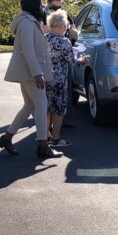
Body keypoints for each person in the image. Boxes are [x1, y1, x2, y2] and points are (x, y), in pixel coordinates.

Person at [0, 0, 62, 159]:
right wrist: (38, 74)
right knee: (41, 104)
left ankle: (7, 137)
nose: (42, 8)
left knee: (29, 106)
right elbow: (28, 51)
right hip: (31, 73)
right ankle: (42, 145)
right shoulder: (26, 23)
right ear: (34, 6)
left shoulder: (29, 21)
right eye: (40, 5)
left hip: (29, 72)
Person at [46, 9, 85, 148]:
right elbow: (72, 63)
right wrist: (82, 60)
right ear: (62, 26)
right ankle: (56, 138)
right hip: (59, 80)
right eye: (67, 26)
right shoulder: (65, 42)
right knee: (59, 109)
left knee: (47, 108)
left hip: (45, 78)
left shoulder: (45, 38)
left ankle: (45, 137)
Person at [43, 0, 78, 128]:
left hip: (63, 56)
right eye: (54, 6)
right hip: (49, 65)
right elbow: (41, 31)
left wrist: (71, 34)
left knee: (63, 95)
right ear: (48, 3)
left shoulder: (65, 15)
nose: (57, 8)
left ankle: (61, 122)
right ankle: (50, 131)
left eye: (59, 6)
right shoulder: (42, 13)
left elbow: (74, 32)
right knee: (49, 99)